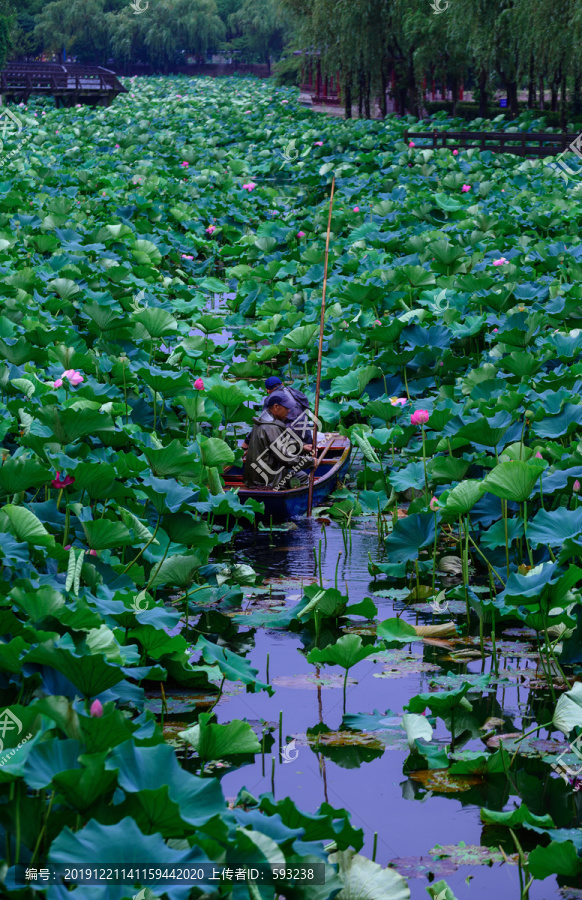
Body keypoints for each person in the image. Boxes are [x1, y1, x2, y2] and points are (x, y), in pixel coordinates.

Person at [243, 392, 313, 489]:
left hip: (255, 478)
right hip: (267, 481)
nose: (289, 411)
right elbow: (286, 458)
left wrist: (302, 446)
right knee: (303, 476)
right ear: (276, 407)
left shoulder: (261, 423)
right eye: (286, 408)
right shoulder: (271, 428)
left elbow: (281, 443)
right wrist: (311, 461)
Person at [242, 376, 312, 450]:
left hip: (290, 441)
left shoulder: (272, 399)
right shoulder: (296, 393)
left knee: (265, 431)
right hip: (307, 437)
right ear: (282, 384)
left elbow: (261, 422)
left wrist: (247, 441)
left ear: (268, 390)